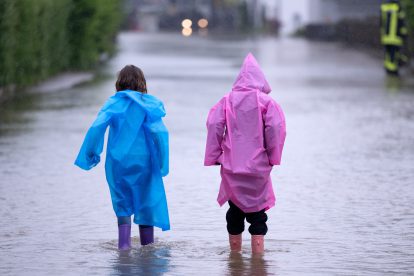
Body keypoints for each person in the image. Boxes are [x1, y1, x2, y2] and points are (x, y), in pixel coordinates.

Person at [74, 65, 170, 250]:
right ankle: (147, 251)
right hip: (145, 162)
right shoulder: (149, 105)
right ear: (142, 83)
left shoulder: (113, 103)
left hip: (118, 162)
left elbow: (96, 127)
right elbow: (160, 133)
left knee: (122, 203)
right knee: (146, 202)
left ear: (119, 83)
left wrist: (91, 153)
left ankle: (124, 248)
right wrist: (163, 162)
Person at [204, 53, 286, 254]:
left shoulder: (226, 101)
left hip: (231, 166)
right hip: (258, 167)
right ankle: (258, 263)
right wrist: (273, 157)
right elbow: (276, 128)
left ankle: (235, 260)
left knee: (235, 211)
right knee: (258, 214)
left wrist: (214, 156)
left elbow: (214, 125)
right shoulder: (267, 103)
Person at [380, 0, 408, 76]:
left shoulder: (384, 7)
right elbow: (402, 22)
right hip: (395, 38)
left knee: (387, 54)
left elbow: (382, 23)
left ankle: (388, 68)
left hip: (386, 37)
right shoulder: (398, 8)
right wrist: (404, 34)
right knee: (394, 54)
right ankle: (393, 70)